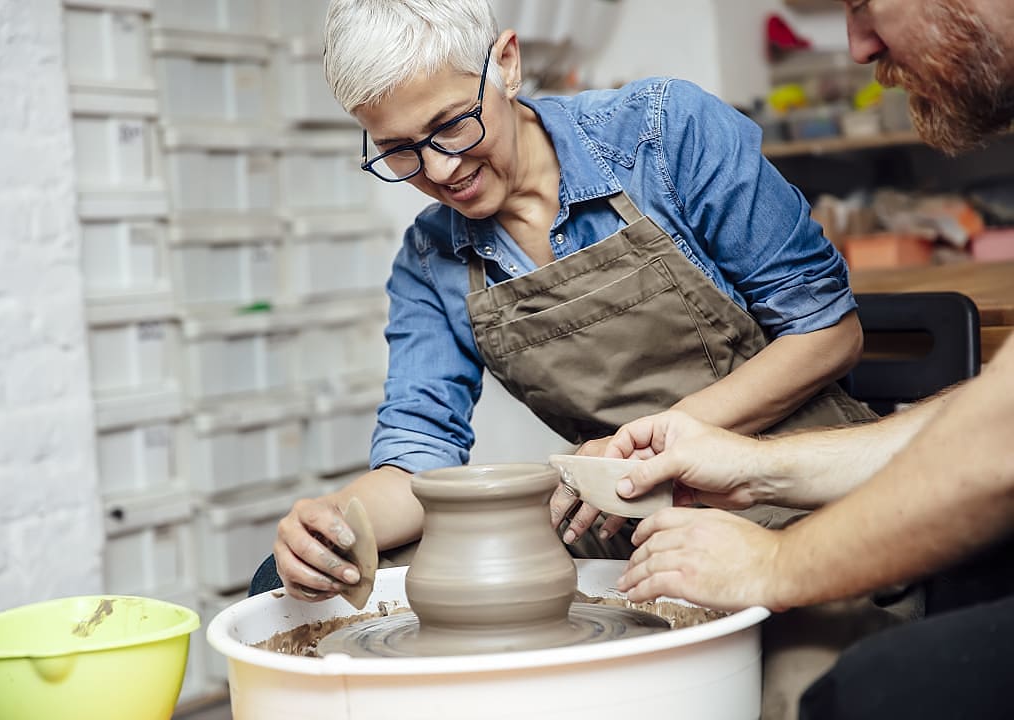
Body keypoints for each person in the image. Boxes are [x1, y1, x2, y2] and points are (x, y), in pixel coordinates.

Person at [259, 0, 875, 601]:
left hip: (789, 489)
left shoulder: (663, 136)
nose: (440, 171)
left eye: (450, 126)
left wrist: (641, 445)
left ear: (507, 64)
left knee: (795, 687)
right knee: (316, 579)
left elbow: (828, 333)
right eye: (399, 150)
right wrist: (331, 517)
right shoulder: (431, 258)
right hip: (620, 521)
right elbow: (417, 461)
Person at [607, 1, 1014, 716]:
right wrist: (760, 469)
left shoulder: (674, 125)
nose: (856, 46)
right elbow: (993, 410)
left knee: (869, 692)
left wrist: (775, 565)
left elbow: (999, 447)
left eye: (861, 4)